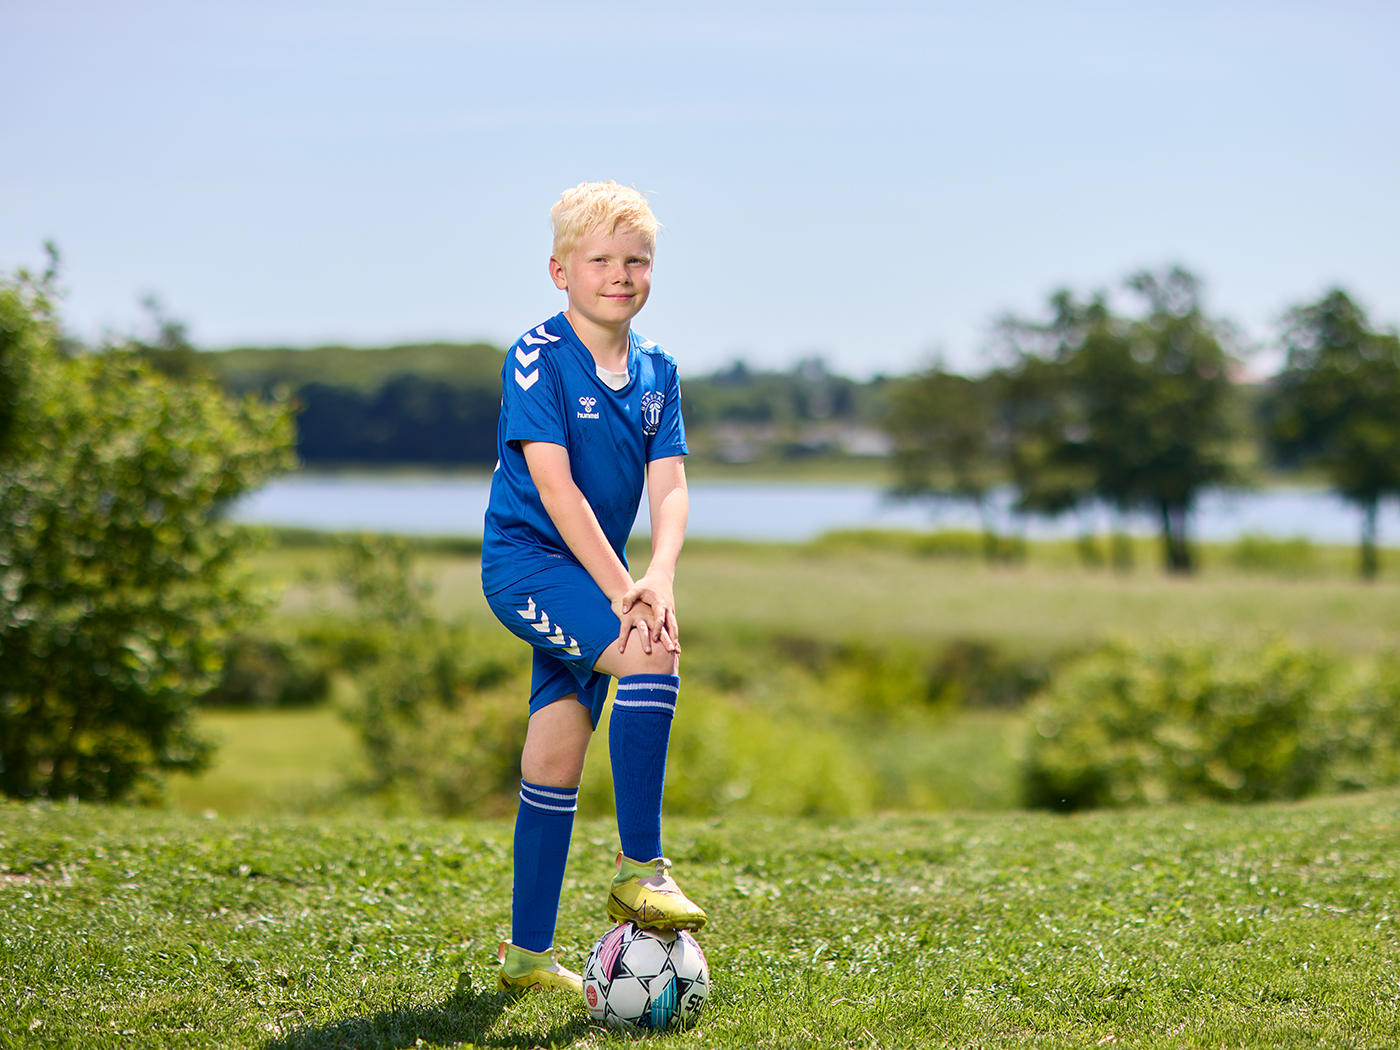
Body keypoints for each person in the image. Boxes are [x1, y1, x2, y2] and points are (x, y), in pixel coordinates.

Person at [481, 181, 705, 995]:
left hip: (599, 576)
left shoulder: (658, 371)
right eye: (600, 259)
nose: (620, 274)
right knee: (650, 653)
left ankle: (529, 955)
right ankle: (640, 865)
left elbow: (670, 487)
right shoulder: (536, 356)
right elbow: (558, 491)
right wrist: (626, 594)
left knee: (556, 753)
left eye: (636, 260)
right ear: (559, 271)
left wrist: (659, 576)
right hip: (530, 566)